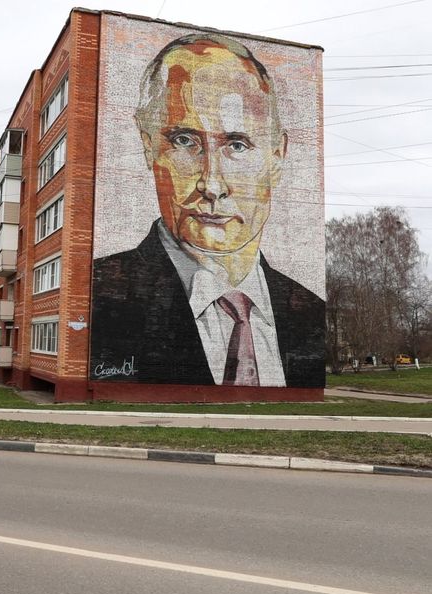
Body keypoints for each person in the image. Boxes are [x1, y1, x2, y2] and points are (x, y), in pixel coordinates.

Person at [91, 33, 324, 388]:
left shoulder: (309, 311)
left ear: (277, 157)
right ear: (148, 146)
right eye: (184, 141)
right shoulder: (101, 294)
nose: (212, 185)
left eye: (237, 144)